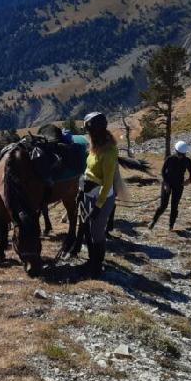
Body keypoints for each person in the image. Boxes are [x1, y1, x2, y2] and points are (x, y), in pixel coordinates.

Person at [81, 111, 118, 277]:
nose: (88, 134)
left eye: (89, 131)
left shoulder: (109, 152)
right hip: (88, 194)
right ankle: (91, 259)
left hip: (101, 197)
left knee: (97, 231)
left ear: (95, 131)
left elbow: (108, 182)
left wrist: (99, 205)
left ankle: (97, 265)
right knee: (87, 228)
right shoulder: (94, 146)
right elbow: (89, 169)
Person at [149, 140, 191, 231]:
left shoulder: (188, 161)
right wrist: (165, 183)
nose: (180, 156)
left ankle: (171, 226)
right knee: (163, 206)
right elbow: (163, 171)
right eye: (179, 154)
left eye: (182, 154)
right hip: (167, 184)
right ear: (176, 151)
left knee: (174, 206)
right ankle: (153, 221)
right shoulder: (170, 159)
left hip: (179, 186)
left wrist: (189, 180)